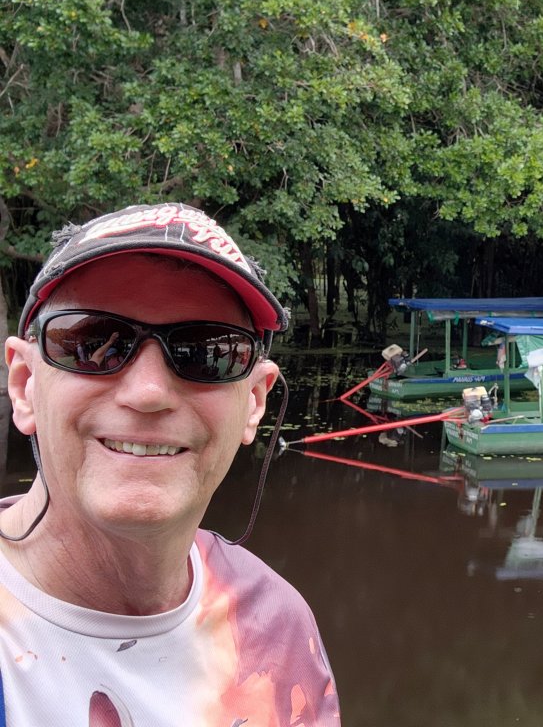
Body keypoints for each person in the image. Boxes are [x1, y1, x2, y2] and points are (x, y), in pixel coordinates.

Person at [0, 203, 341, 725]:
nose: (149, 392)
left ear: (254, 402)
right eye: (92, 343)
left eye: (204, 353)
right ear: (25, 386)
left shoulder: (276, 628)